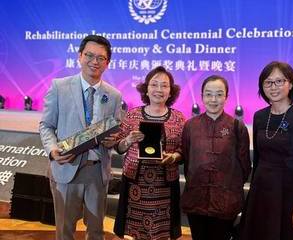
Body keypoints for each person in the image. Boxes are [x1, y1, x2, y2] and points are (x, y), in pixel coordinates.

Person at [39, 35, 124, 240]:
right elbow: (46, 126)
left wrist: (113, 141)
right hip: (66, 169)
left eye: (101, 58)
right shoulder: (59, 87)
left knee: (96, 232)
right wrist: (52, 150)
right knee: (64, 231)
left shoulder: (114, 95)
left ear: (107, 63)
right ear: (79, 56)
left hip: (97, 173)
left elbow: (115, 131)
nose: (94, 61)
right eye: (89, 55)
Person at [239, 61, 293, 240]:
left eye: (279, 81)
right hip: (261, 191)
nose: (273, 87)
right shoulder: (259, 116)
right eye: (268, 82)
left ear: (290, 84)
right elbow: (257, 159)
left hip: (288, 193)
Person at [113, 66, 185, 240]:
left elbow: (184, 150)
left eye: (164, 86)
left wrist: (174, 157)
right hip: (136, 185)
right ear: (146, 88)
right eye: (154, 84)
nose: (159, 90)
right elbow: (118, 147)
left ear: (171, 91)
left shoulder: (179, 118)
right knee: (137, 232)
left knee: (162, 232)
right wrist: (128, 140)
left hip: (164, 186)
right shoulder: (132, 115)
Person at [181, 75, 251, 240]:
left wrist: (228, 186)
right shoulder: (190, 126)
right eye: (208, 94)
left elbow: (245, 165)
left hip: (225, 201)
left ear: (226, 97)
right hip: (196, 199)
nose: (214, 99)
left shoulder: (236, 127)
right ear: (202, 96)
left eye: (219, 94)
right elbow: (187, 159)